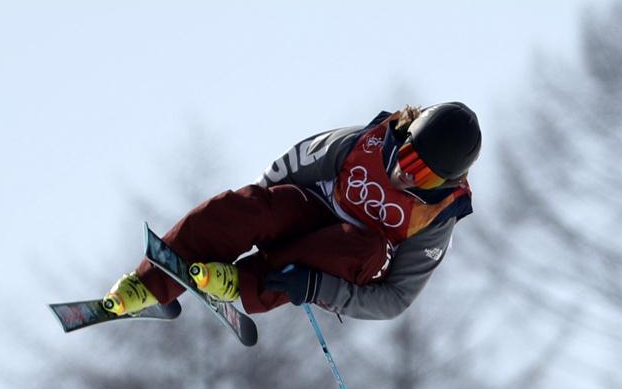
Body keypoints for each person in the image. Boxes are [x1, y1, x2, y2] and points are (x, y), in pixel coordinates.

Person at [103, 101, 481, 321]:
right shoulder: (366, 143)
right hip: (309, 210)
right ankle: (149, 283)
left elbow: (395, 298)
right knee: (249, 208)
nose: (407, 174)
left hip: (344, 256)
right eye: (410, 157)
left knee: (364, 246)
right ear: (406, 135)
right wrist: (251, 215)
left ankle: (244, 281)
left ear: (445, 183)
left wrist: (316, 287)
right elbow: (291, 165)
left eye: (426, 177)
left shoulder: (436, 219)